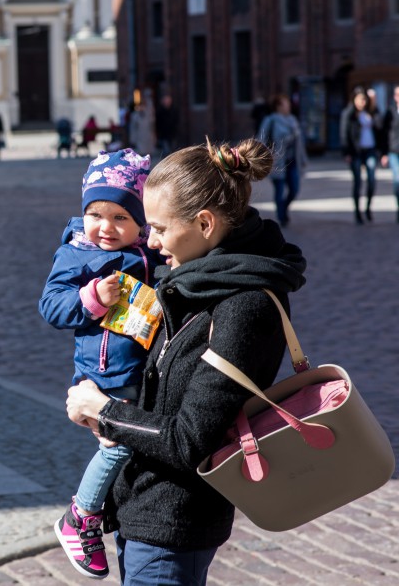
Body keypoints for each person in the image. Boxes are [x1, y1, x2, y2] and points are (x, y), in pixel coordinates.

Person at [65, 138, 306, 585]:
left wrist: (104, 411)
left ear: (205, 223)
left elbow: (188, 439)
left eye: (159, 228)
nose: (151, 243)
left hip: (174, 523)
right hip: (143, 510)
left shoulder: (244, 306)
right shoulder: (196, 281)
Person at [39, 149, 164, 580]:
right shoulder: (76, 254)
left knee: (132, 447)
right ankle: (81, 516)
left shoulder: (149, 251)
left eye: (120, 218)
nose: (106, 228)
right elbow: (51, 307)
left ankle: (107, 512)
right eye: (96, 214)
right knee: (120, 444)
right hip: (104, 373)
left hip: (143, 369)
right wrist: (91, 298)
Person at [257, 93, 307, 227]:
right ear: (278, 106)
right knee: (279, 192)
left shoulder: (293, 121)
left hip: (292, 161)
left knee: (294, 189)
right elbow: (261, 141)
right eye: (286, 104)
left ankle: (283, 209)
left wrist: (303, 159)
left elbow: (299, 144)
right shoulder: (271, 120)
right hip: (278, 162)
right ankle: (281, 216)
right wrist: (265, 158)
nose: (288, 107)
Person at [340, 86, 386, 223]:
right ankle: (357, 212)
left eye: (365, 100)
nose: (362, 103)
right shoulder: (349, 113)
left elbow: (381, 128)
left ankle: (368, 208)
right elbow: (344, 133)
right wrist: (346, 152)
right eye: (360, 100)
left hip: (370, 150)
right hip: (356, 152)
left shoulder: (371, 112)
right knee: (358, 182)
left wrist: (374, 105)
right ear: (354, 100)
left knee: (371, 180)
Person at [379, 84, 399, 221]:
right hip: (394, 151)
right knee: (398, 181)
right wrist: (384, 153)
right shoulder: (390, 112)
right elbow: (384, 134)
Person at [154, 93, 178, 159]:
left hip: (172, 133)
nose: (167, 102)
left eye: (169, 101)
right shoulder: (160, 111)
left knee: (173, 149)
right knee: (166, 150)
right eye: (166, 101)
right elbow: (157, 123)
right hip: (164, 134)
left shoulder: (173, 110)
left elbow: (176, 121)